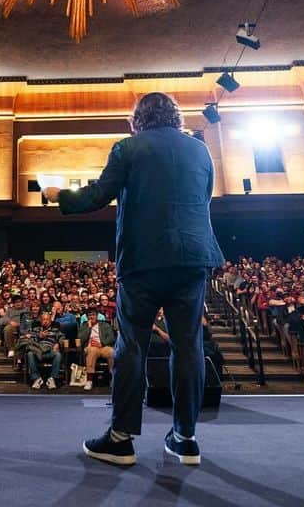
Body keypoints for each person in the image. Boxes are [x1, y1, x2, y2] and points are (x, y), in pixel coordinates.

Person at [45, 92, 223, 466]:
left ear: (137, 121)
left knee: (132, 346)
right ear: (175, 117)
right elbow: (203, 199)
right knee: (188, 346)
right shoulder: (201, 151)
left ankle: (121, 438)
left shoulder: (128, 148)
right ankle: (186, 438)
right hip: (192, 260)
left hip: (143, 261)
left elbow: (98, 195)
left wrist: (59, 195)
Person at [78, 308, 115, 391]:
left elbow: (111, 338)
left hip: (103, 346)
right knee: (92, 351)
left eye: (93, 315)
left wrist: (101, 343)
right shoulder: (84, 326)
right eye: (90, 315)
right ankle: (89, 380)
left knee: (111, 352)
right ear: (87, 317)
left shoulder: (105, 325)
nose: (92, 317)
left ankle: (113, 378)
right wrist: (89, 328)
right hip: (91, 347)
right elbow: (81, 339)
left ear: (97, 316)